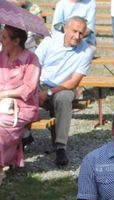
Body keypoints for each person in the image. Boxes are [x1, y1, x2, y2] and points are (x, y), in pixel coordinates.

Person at [0, 26, 41, 188]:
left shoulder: (31, 59)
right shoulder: (0, 56)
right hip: (0, 105)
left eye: (4, 38)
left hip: (23, 106)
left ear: (16, 41)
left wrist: (4, 94)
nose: (0, 41)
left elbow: (29, 88)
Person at [35, 15, 93, 167]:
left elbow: (74, 82)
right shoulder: (50, 40)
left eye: (81, 33)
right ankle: (23, 136)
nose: (77, 36)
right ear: (65, 29)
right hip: (40, 82)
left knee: (64, 98)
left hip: (63, 86)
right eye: (74, 31)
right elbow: (35, 66)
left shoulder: (86, 51)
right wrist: (34, 89)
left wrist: (47, 93)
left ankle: (61, 146)